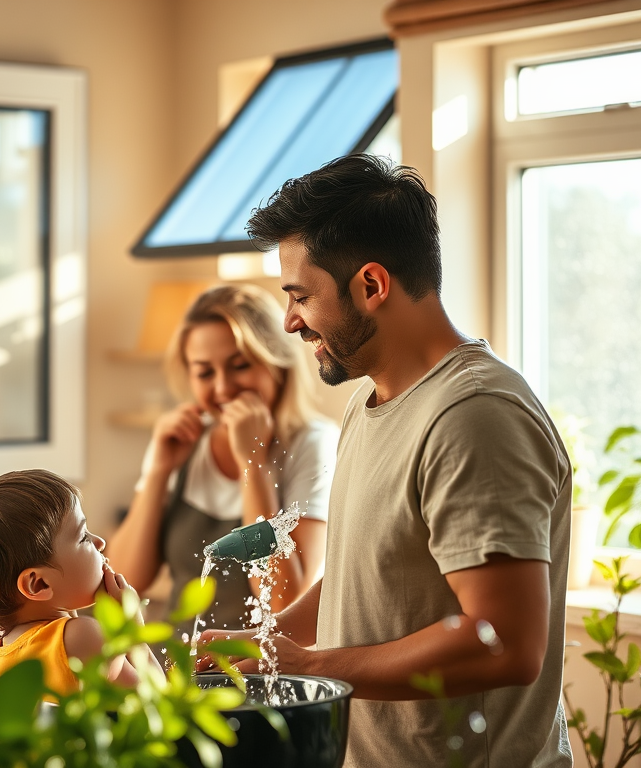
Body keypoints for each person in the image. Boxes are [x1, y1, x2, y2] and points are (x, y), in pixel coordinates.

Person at [201, 155, 573, 767]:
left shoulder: (474, 416)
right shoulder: (369, 402)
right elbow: (364, 580)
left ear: (371, 285)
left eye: (300, 296)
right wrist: (272, 640)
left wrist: (314, 666)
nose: (290, 321)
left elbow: (504, 642)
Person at [105, 284, 339, 639]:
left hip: (262, 674)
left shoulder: (314, 443)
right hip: (178, 668)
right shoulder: (186, 442)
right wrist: (157, 472)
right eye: (204, 372)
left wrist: (253, 463)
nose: (223, 388)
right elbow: (125, 582)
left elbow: (282, 602)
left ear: (278, 363)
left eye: (240, 365)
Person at [0, 469, 162, 696]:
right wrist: (131, 627)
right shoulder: (84, 637)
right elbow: (159, 698)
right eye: (83, 537)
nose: (99, 542)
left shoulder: (3, 651)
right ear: (38, 585)